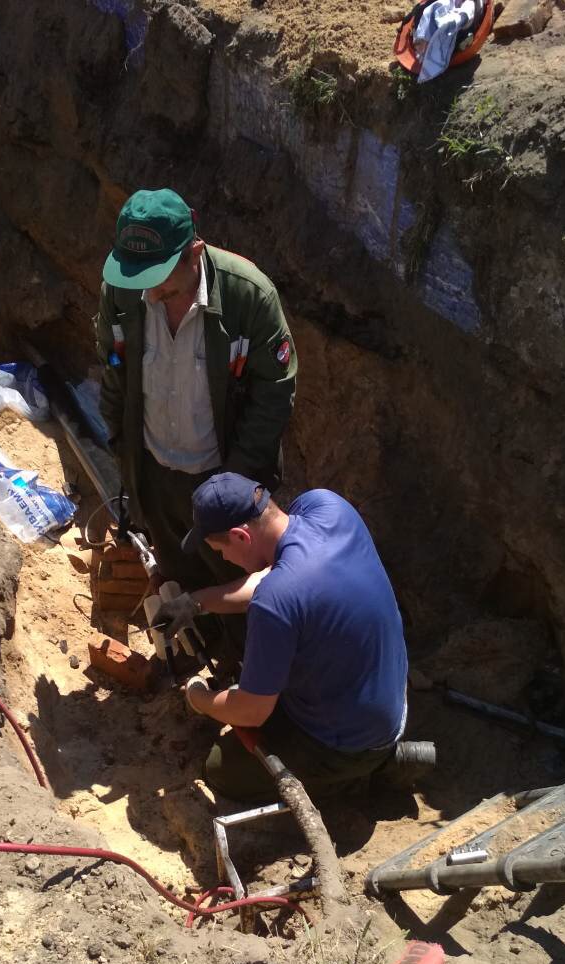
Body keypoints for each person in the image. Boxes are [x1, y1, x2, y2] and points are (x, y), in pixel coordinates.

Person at [152, 473, 410, 802]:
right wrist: (196, 602)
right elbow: (279, 579)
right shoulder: (327, 507)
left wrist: (198, 696)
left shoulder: (274, 602)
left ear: (240, 536)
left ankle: (357, 776)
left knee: (220, 769)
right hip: (391, 700)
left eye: (220, 550)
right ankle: (375, 758)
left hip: (349, 743)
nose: (224, 559)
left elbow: (251, 712)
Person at [95, 188, 297, 593]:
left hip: (225, 475)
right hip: (155, 475)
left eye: (162, 283)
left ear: (195, 253)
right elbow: (113, 370)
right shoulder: (122, 291)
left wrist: (230, 488)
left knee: (237, 589)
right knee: (179, 580)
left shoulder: (249, 297)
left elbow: (274, 394)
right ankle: (190, 632)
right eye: (141, 280)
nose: (151, 294)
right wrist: (123, 449)